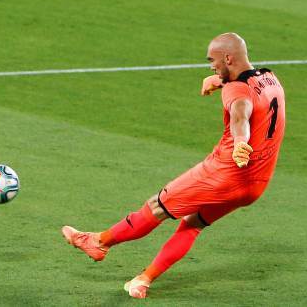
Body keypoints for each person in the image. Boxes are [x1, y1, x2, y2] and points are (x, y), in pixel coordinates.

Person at [62, 32, 286, 300]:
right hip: (255, 185)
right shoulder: (270, 78)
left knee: (156, 207)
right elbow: (250, 91)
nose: (211, 66)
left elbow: (241, 113)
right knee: (193, 223)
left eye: (212, 61)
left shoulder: (235, 91)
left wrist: (240, 142)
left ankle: (98, 242)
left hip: (224, 174)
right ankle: (143, 280)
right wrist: (219, 80)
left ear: (228, 58)